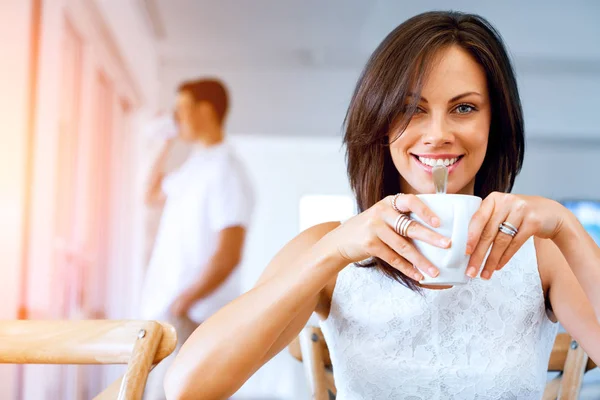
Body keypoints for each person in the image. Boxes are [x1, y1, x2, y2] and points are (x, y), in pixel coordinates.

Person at [164, 12, 600, 400]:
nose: (437, 134)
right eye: (412, 109)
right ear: (379, 119)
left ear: (495, 123)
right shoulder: (328, 247)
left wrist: (565, 227)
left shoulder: (541, 253)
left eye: (463, 108)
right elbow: (189, 386)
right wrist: (334, 251)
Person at [140, 78, 254, 400]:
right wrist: (164, 142)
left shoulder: (226, 170)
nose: (176, 118)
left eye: (181, 109)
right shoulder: (195, 166)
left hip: (193, 316)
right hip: (171, 313)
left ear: (205, 110)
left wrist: (183, 303)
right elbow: (148, 193)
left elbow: (229, 254)